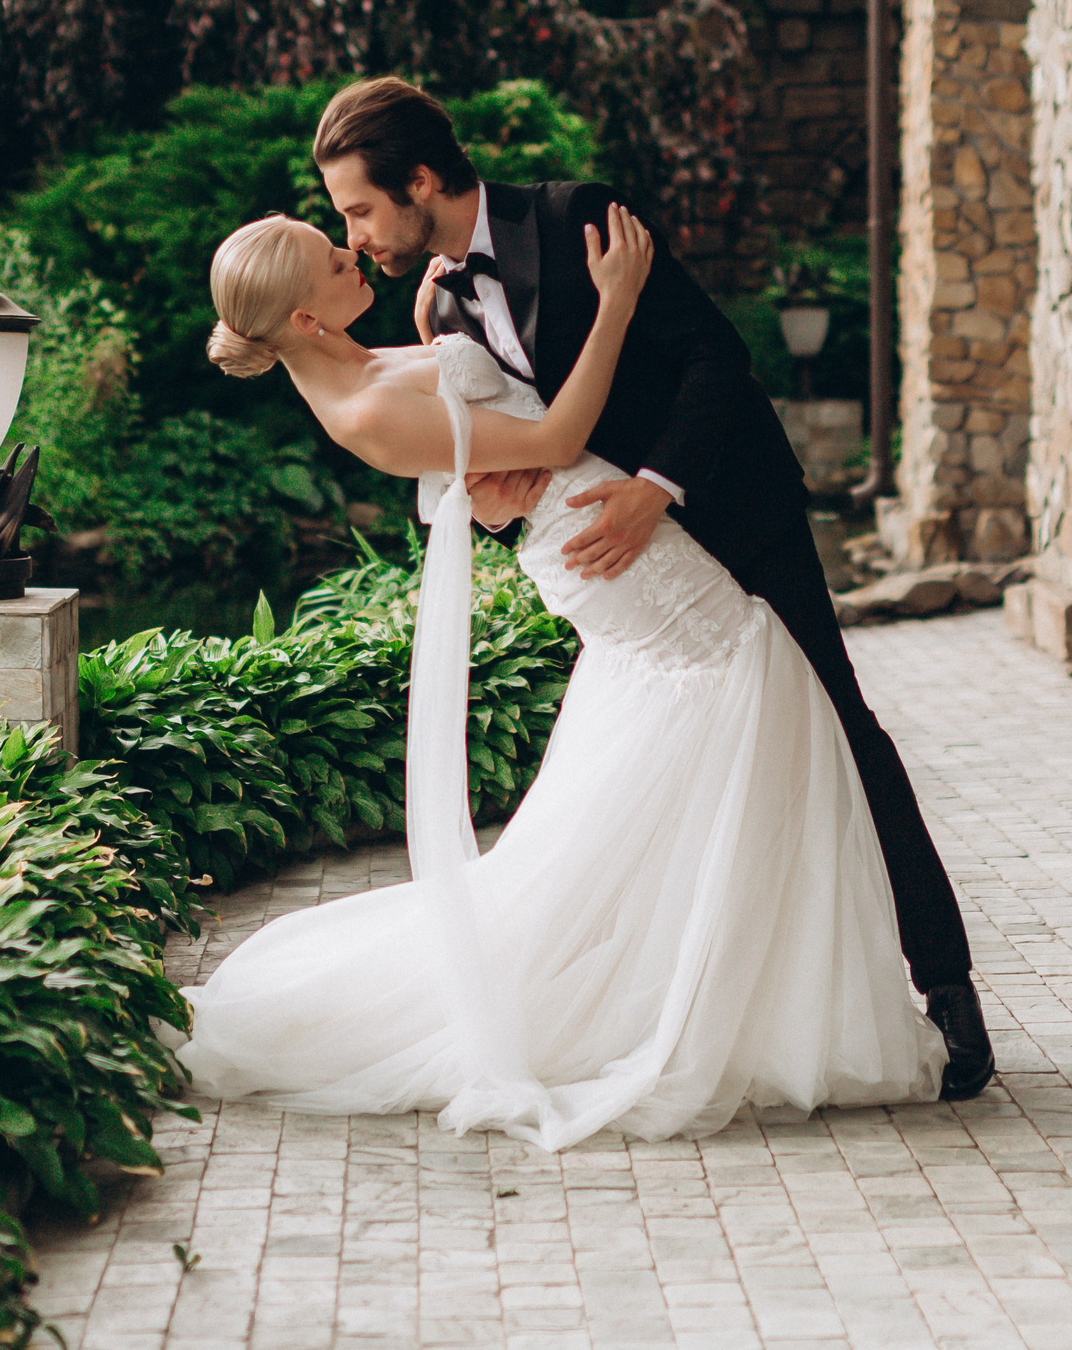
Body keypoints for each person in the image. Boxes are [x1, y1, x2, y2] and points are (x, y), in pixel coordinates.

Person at [174, 203, 945, 1149]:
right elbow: (553, 432)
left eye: (346, 227)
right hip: (605, 542)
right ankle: (730, 999)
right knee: (753, 683)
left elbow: (471, 420)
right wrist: (616, 301)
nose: (352, 249)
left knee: (714, 721)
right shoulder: (360, 406)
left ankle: (717, 983)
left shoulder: (365, 364)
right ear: (303, 320)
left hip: (601, 534)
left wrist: (437, 342)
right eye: (333, 254)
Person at [316, 75, 993, 1099]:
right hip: (635, 578)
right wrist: (507, 513)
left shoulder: (577, 217)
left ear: (419, 180)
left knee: (842, 730)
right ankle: (740, 1002)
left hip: (728, 509)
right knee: (708, 763)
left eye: (361, 210)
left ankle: (944, 986)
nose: (357, 235)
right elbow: (503, 455)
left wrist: (654, 488)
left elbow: (714, 361)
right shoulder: (439, 300)